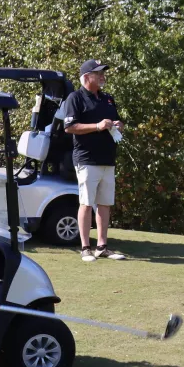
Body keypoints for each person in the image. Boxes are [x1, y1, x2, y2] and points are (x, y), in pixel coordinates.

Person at [60, 59, 127, 261]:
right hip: (87, 159)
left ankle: (102, 246)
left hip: (107, 158)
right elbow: (70, 127)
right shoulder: (76, 98)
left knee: (104, 203)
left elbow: (116, 121)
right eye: (98, 73)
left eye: (102, 73)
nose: (102, 76)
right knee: (87, 203)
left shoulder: (107, 99)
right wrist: (97, 126)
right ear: (87, 77)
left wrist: (118, 125)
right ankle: (85, 248)